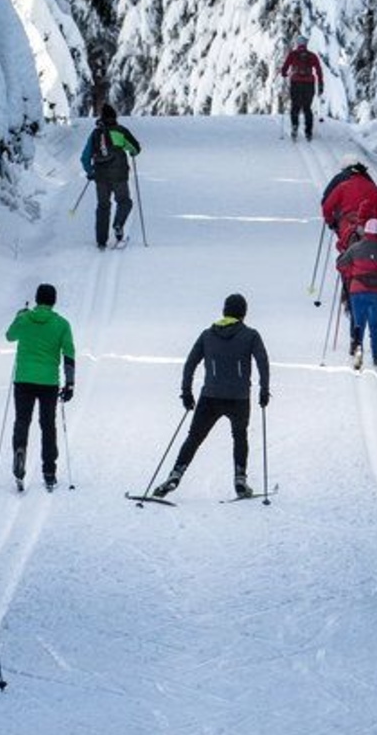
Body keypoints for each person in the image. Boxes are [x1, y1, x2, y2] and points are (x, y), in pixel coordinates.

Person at [153, 293, 271, 499]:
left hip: (210, 397)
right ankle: (240, 479)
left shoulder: (207, 335)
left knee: (194, 437)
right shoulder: (251, 335)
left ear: (224, 311)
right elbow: (263, 362)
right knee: (240, 436)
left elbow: (190, 364)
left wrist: (186, 392)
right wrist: (264, 389)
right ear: (244, 313)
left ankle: (175, 474)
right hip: (239, 398)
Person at [5, 283, 76, 490]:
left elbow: (9, 336)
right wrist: (70, 383)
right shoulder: (62, 324)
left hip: (24, 379)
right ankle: (49, 470)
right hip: (48, 382)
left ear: (36, 299)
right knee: (47, 425)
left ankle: (19, 452)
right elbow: (69, 354)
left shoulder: (24, 319)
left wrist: (19, 316)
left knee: (22, 421)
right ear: (54, 301)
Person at [336, 218, 377, 369]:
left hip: (357, 290)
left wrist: (351, 272)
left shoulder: (355, 248)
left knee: (359, 324)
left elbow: (341, 265)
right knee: (374, 324)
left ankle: (358, 358)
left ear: (365, 231)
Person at [80, 102, 142, 249]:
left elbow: (85, 157)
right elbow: (135, 148)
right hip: (119, 175)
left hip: (100, 177)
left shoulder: (95, 134)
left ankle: (101, 241)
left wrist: (90, 172)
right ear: (114, 117)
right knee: (124, 202)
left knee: (103, 206)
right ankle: (118, 224)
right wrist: (131, 152)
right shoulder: (120, 131)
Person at [321, 155, 377, 252]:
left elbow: (326, 206)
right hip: (368, 227)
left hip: (347, 224)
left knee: (348, 254)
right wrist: (373, 223)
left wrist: (331, 222)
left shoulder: (342, 186)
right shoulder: (373, 187)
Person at [279, 35, 324, 141]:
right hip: (309, 83)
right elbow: (318, 70)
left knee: (295, 106)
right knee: (307, 108)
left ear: (298, 44)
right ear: (306, 44)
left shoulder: (293, 54)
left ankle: (294, 126)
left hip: (295, 82)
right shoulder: (312, 56)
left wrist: (284, 73)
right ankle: (308, 131)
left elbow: (284, 68)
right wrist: (320, 83)